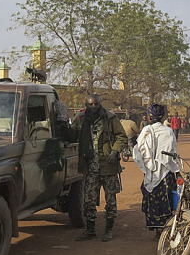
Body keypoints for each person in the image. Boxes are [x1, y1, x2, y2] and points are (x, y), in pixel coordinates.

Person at [71, 94, 128, 242]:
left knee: (110, 201)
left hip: (108, 166)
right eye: (90, 105)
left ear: (100, 104)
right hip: (90, 167)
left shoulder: (109, 118)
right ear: (86, 105)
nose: (93, 107)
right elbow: (71, 133)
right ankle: (90, 230)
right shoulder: (82, 119)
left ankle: (109, 229)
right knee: (88, 200)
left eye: (96, 104)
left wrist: (115, 151)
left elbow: (122, 136)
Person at [133, 103, 180, 239]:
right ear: (163, 116)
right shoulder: (168, 132)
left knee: (152, 200)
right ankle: (165, 229)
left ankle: (157, 230)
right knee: (167, 200)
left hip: (150, 173)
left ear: (149, 116)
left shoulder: (145, 131)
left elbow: (138, 152)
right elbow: (172, 154)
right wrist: (176, 171)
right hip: (166, 172)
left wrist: (148, 166)